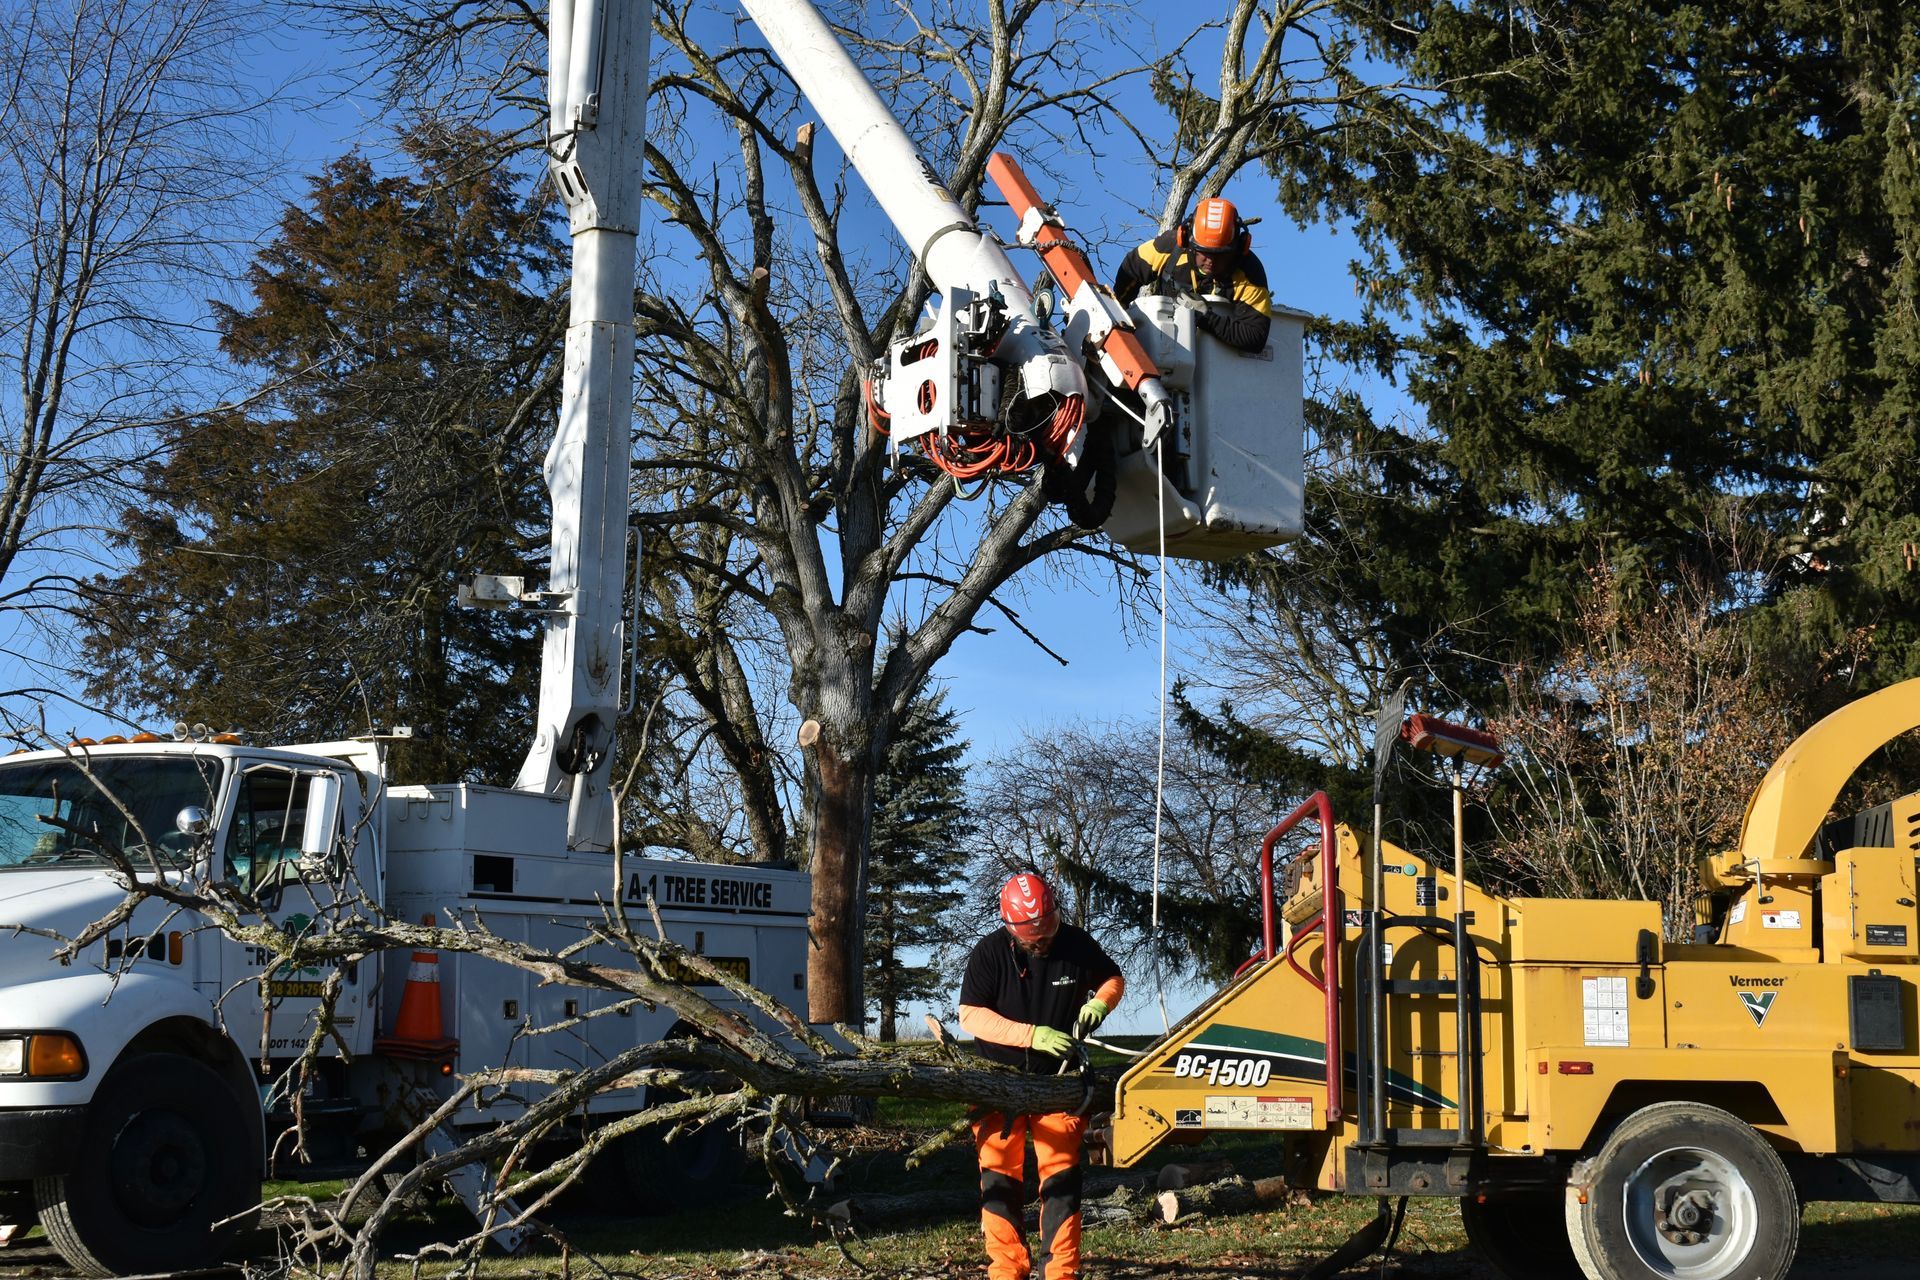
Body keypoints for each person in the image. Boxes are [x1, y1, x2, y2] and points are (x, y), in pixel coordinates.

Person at [957, 872, 1125, 1280]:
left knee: (1062, 1178)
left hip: (1059, 1083)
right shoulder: (989, 954)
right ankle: (1007, 1271)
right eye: (1033, 937)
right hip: (998, 1083)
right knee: (999, 1180)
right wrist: (1030, 1036)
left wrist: (1101, 1004)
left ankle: (1060, 1273)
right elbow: (970, 1016)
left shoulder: (1076, 944)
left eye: (1046, 932)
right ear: (1011, 928)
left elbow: (1112, 978)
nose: (1042, 941)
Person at [1112, 195, 1272, 354]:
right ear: (1186, 240)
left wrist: (1205, 318)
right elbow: (1131, 268)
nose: (1211, 261)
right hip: (1166, 348)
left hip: (1218, 363)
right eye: (1204, 252)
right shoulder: (1168, 248)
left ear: (1239, 247)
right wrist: (1121, 311)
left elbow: (1255, 336)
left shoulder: (1249, 272)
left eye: (1220, 255)